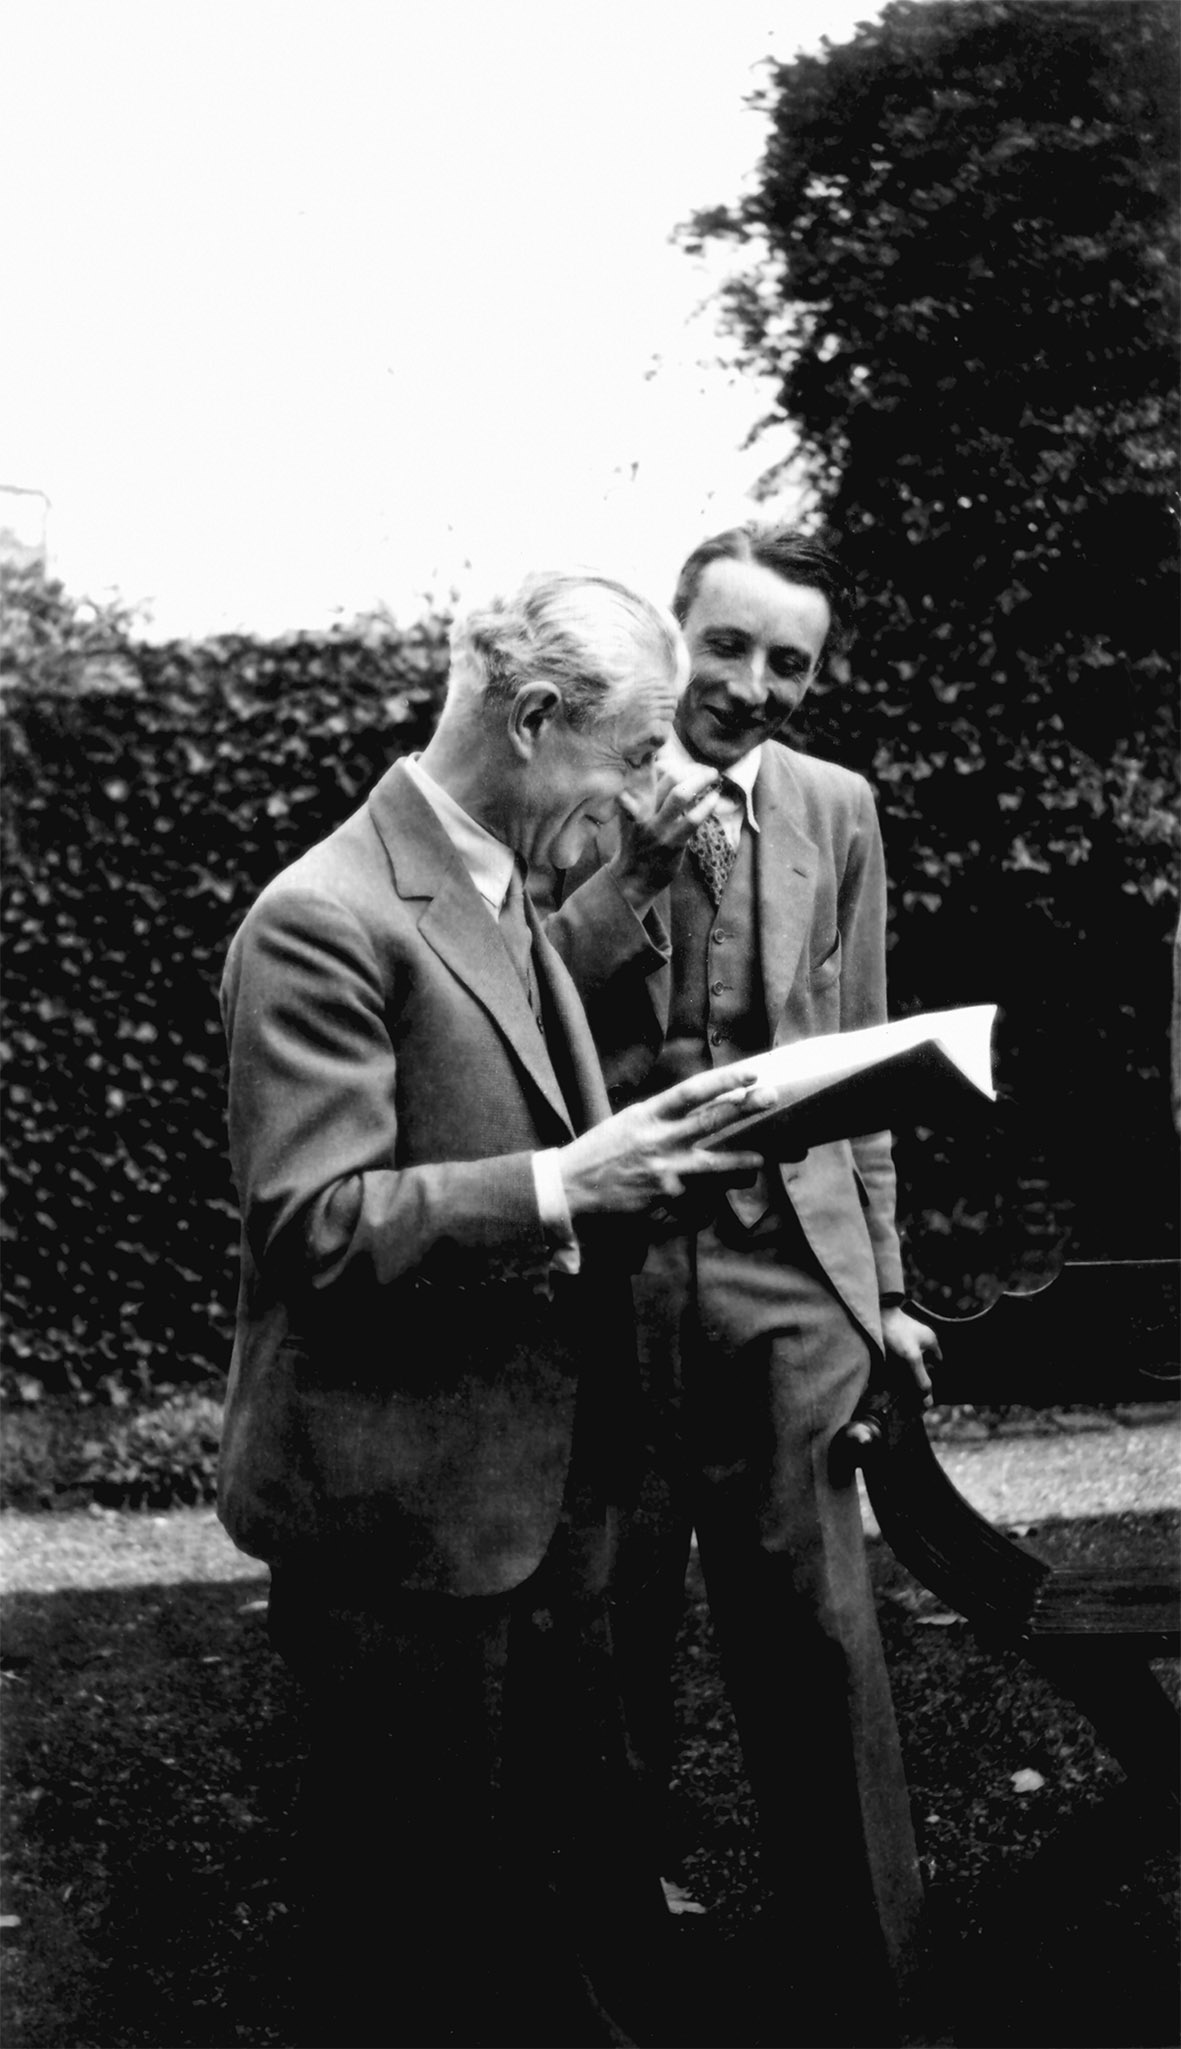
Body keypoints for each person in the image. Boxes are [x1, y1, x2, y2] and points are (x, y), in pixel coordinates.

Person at [216, 568, 771, 2049]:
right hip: (409, 1531)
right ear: (532, 718)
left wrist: (659, 1146)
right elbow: (308, 1226)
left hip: (533, 1503)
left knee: (545, 1903)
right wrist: (564, 1181)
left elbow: (511, 1058)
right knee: (420, 1938)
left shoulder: (491, 878)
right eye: (634, 749)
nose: (654, 780)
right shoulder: (316, 918)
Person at [545, 525, 941, 2046]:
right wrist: (629, 868)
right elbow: (522, 1008)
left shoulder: (834, 807)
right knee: (608, 1628)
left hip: (790, 1277)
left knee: (819, 1637)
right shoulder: (576, 788)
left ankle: (872, 1992)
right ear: (676, 633)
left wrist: (886, 1287)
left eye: (789, 662)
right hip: (613, 1278)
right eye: (727, 646)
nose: (751, 685)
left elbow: (866, 1052)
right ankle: (626, 1974)